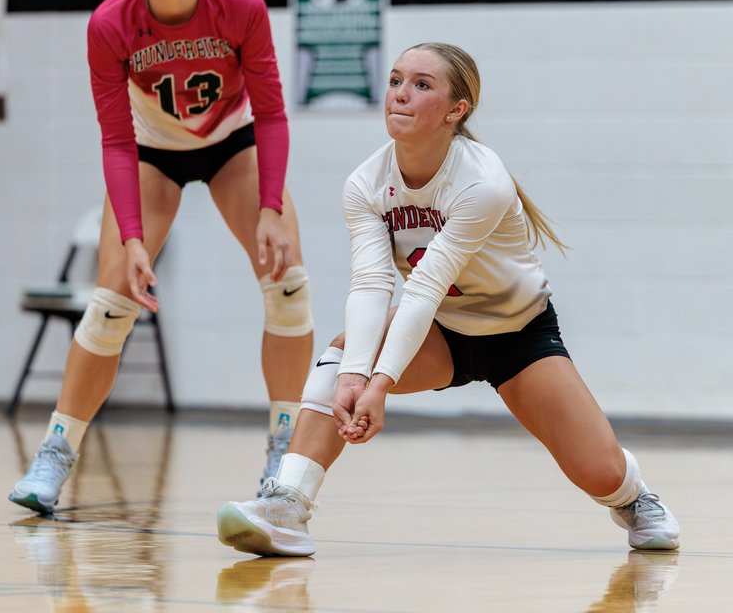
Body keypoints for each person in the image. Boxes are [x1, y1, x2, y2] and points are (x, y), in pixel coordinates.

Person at [216, 42, 680, 556]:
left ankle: (636, 499)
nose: (400, 95)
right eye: (395, 81)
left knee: (599, 472)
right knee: (336, 361)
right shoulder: (365, 183)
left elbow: (424, 285)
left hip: (519, 336)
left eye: (421, 85)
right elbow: (372, 285)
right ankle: (288, 506)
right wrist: (355, 376)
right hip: (442, 331)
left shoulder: (482, 180)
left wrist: (380, 384)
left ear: (456, 110)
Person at [9, 0, 314, 514]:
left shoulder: (241, 5)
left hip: (232, 142)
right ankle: (55, 453)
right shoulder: (109, 23)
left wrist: (272, 206)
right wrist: (131, 238)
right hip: (151, 153)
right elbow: (117, 141)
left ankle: (286, 450)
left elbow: (274, 113)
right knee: (111, 303)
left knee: (288, 285)